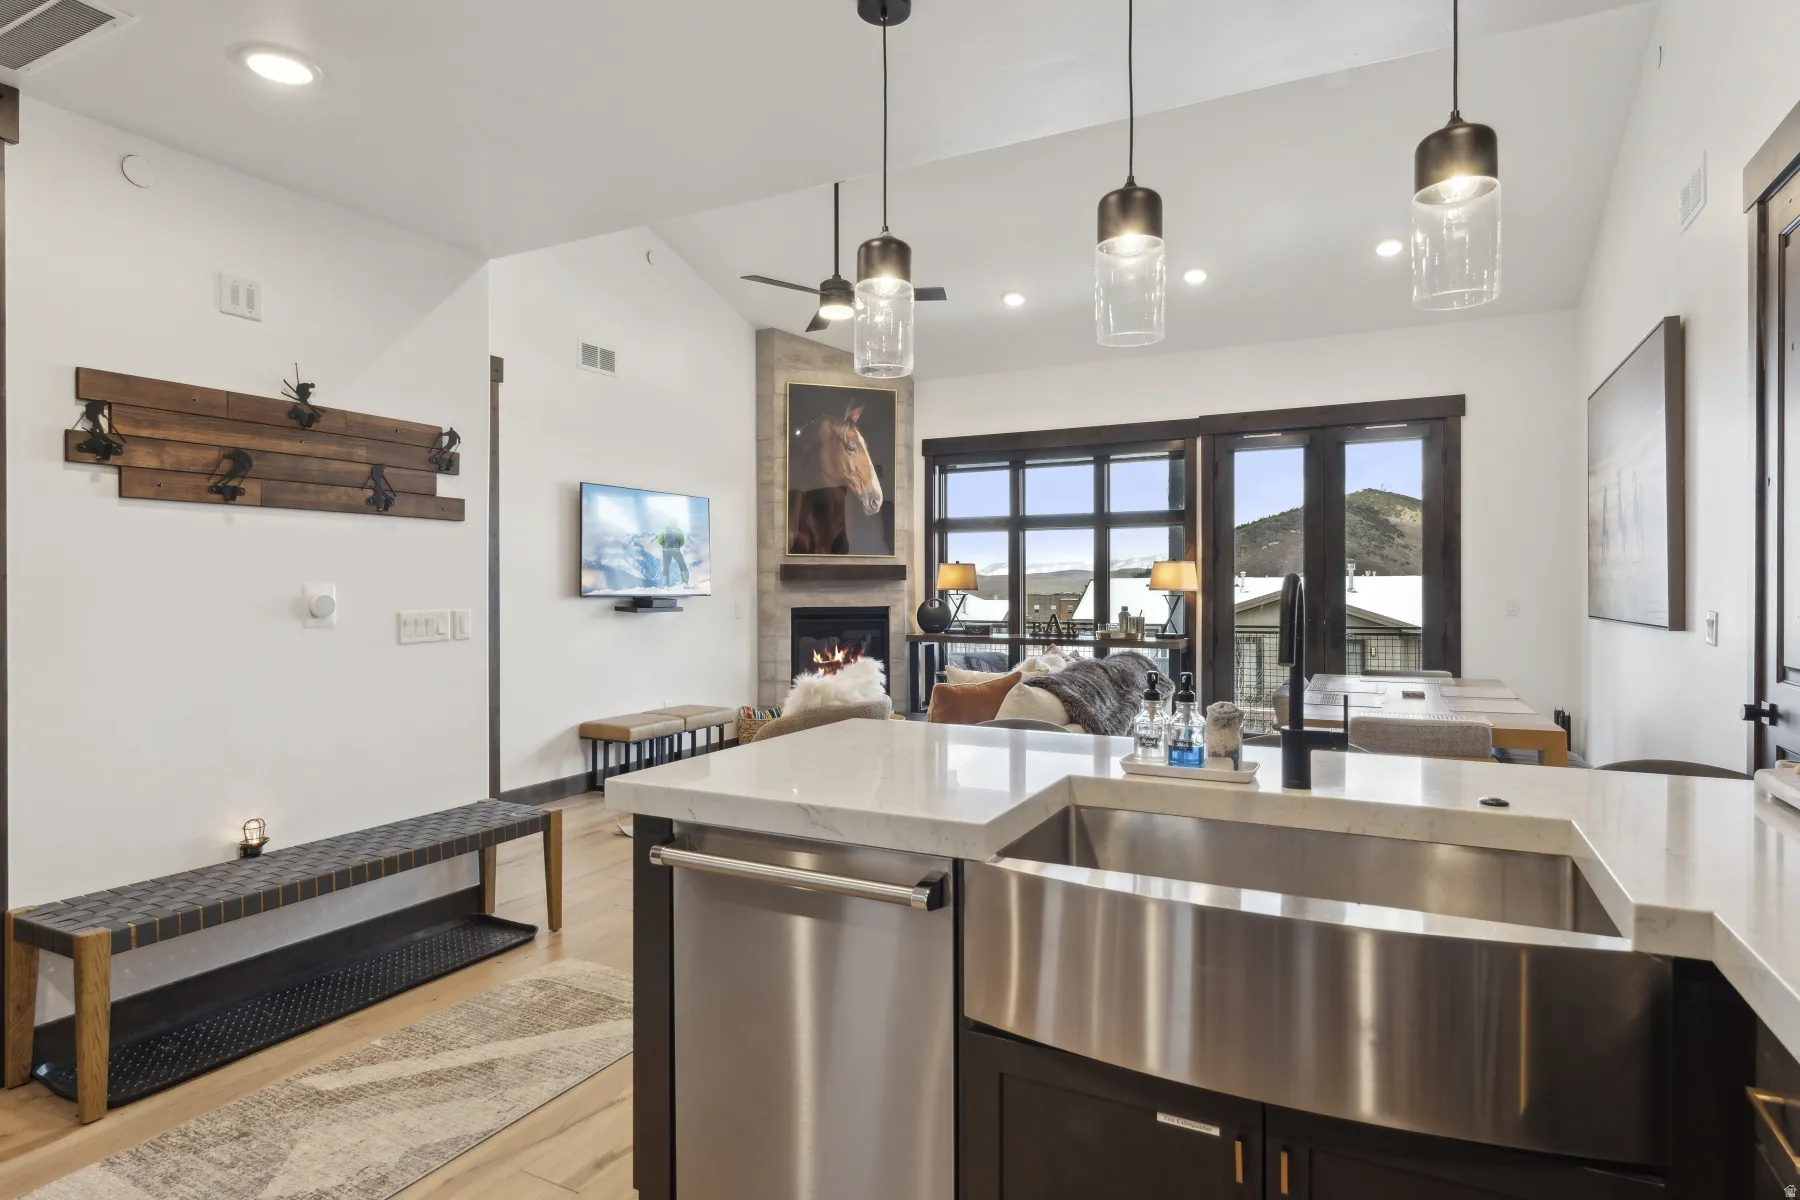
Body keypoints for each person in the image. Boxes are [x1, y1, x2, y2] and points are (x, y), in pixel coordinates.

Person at [657, 523, 690, 588]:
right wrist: (677, 547)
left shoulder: (664, 530)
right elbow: (682, 542)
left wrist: (665, 546)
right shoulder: (679, 530)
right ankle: (685, 583)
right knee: (682, 565)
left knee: (666, 567)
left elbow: (660, 541)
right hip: (676, 551)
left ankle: (665, 585)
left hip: (666, 551)